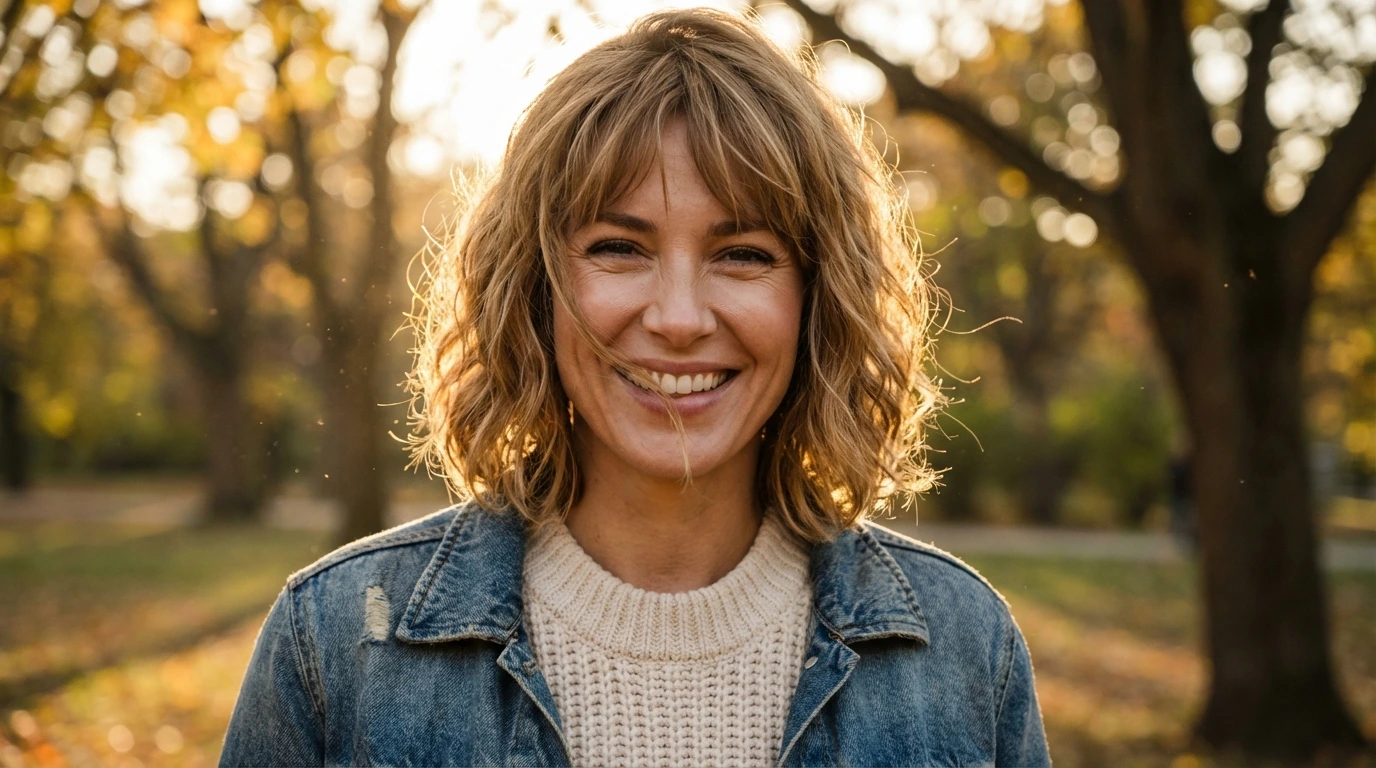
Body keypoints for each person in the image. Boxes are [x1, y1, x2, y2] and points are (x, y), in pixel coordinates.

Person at [220, 8, 1050, 766]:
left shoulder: (965, 651)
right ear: (535, 286)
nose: (680, 317)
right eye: (619, 247)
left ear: (817, 299)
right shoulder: (335, 644)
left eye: (744, 254)